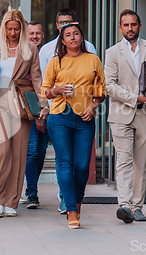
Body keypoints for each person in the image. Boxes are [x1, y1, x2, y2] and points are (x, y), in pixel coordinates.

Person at [0, 9, 48, 218]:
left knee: (19, 153)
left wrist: (43, 105)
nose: (13, 33)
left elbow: (37, 79)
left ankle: (12, 202)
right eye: (9, 29)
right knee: (2, 151)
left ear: (22, 29)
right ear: (3, 28)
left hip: (22, 104)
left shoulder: (30, 49)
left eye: (16, 29)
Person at [104, 9, 146, 223]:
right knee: (123, 160)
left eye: (133, 24)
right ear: (120, 27)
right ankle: (124, 206)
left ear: (140, 26)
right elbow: (110, 86)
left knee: (141, 163)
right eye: (126, 25)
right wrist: (136, 98)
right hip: (121, 113)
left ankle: (137, 206)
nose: (130, 29)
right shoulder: (112, 52)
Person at [42, 23, 106, 228]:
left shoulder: (93, 60)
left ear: (82, 37)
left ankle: (77, 201)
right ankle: (71, 209)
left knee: (81, 165)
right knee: (64, 162)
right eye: (67, 35)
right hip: (60, 116)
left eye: (76, 34)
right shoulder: (55, 62)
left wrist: (94, 107)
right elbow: (45, 91)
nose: (72, 38)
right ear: (62, 40)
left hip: (84, 117)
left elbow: (102, 91)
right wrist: (58, 89)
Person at [24, 21, 49, 209]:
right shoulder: (23, 55)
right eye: (31, 33)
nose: (34, 36)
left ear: (42, 35)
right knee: (32, 151)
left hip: (51, 108)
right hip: (30, 108)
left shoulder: (50, 54)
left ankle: (31, 186)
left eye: (37, 33)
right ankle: (32, 192)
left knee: (41, 152)